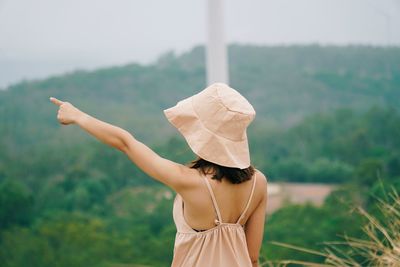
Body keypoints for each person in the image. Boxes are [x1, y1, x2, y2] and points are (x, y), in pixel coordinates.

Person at [49, 82, 268, 267]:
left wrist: (77, 116)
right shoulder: (259, 182)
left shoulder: (188, 181)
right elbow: (252, 257)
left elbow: (126, 143)